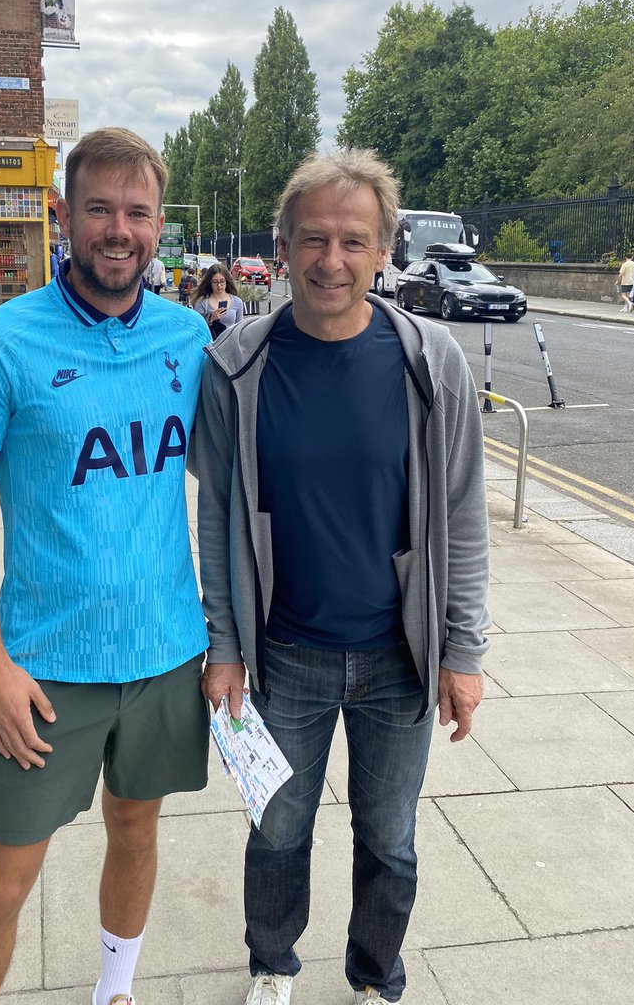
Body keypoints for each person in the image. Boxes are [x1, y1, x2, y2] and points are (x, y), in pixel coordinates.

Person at [195, 149, 490, 1005]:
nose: (332, 259)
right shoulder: (237, 366)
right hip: (283, 655)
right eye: (313, 238)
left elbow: (464, 518)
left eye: (354, 240)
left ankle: (374, 975)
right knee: (277, 830)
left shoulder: (429, 363)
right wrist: (224, 644)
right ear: (281, 247)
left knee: (389, 839)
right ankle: (273, 965)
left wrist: (462, 650)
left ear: (384, 247)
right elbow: (216, 516)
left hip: (398, 658)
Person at [0, 128, 211, 1005]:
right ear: (63, 216)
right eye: (99, 209)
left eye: (136, 212)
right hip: (44, 669)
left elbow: (243, 481)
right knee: (6, 880)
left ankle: (114, 991)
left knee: (136, 828)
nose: (117, 229)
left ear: (159, 224)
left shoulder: (189, 337)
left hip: (168, 652)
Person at [190, 263, 245, 336]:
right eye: (215, 282)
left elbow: (239, 329)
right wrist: (211, 318)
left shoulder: (237, 302)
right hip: (210, 344)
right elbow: (196, 327)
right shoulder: (202, 302)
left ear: (227, 281)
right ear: (210, 283)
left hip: (230, 344)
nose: (219, 285)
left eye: (222, 281)